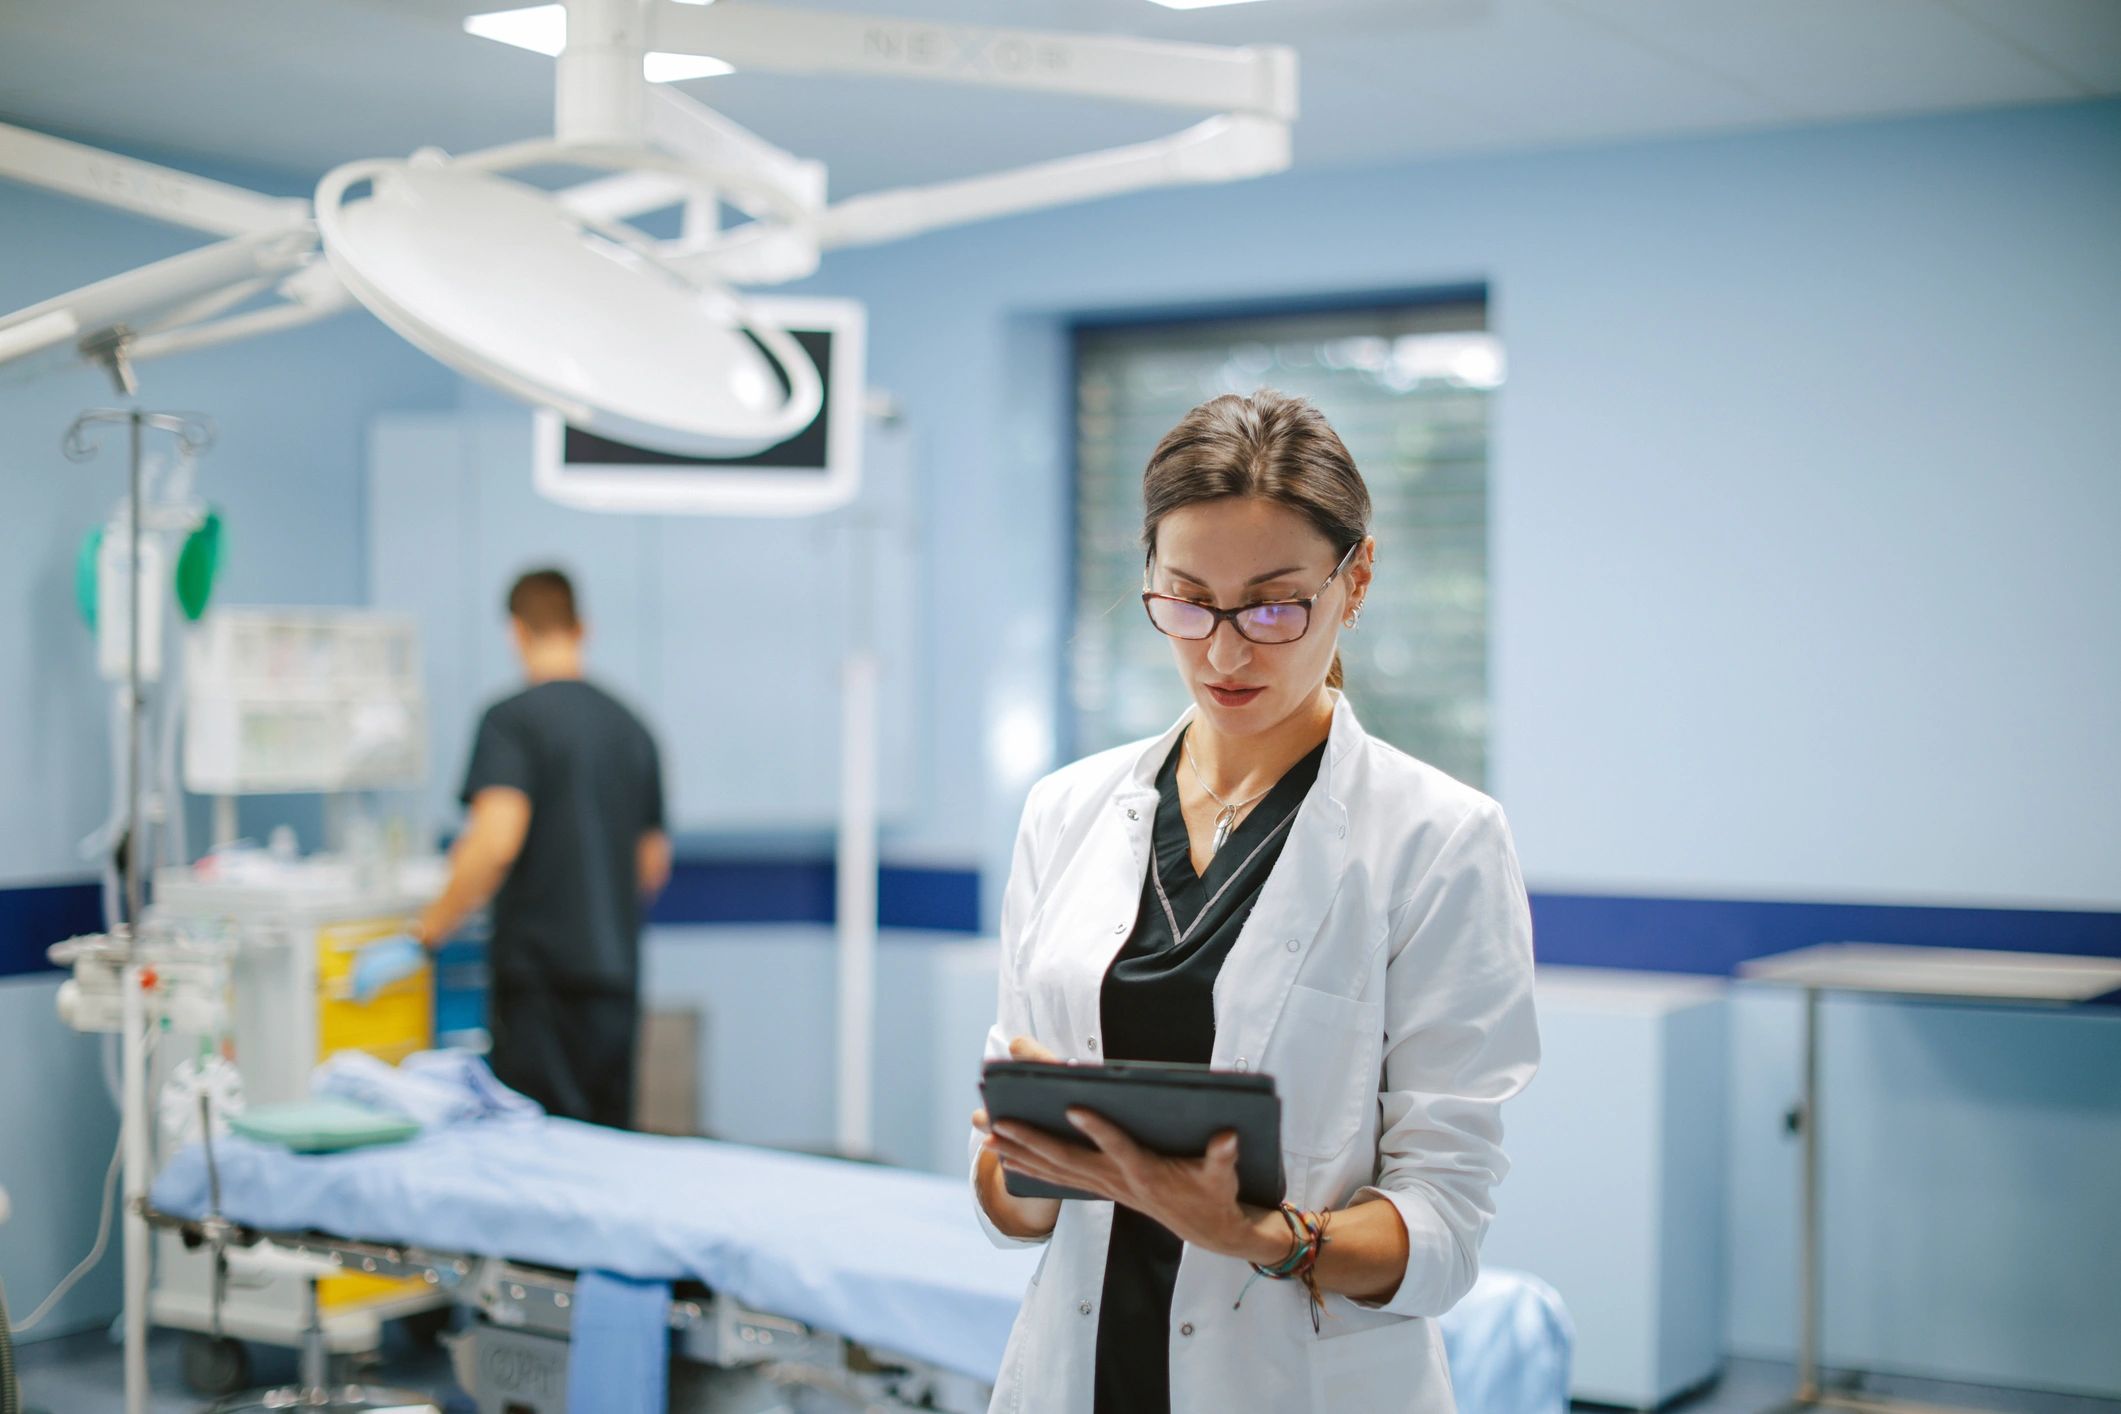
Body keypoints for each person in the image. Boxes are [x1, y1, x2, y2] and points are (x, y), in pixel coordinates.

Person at [970, 390, 1539, 1413]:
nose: (1226, 653)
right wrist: (1020, 1162)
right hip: (1077, 1373)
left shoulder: (1437, 841)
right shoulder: (1065, 813)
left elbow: (1446, 1225)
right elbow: (1016, 1202)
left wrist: (1254, 1234)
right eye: (1188, 602)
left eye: (1276, 606)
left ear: (1354, 580)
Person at [411, 568, 670, 1128]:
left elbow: (496, 843)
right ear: (584, 628)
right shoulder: (633, 727)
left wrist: (430, 930)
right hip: (615, 981)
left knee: (538, 1154)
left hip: (540, 987)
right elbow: (651, 865)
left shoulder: (511, 722)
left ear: (514, 632)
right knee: (606, 1150)